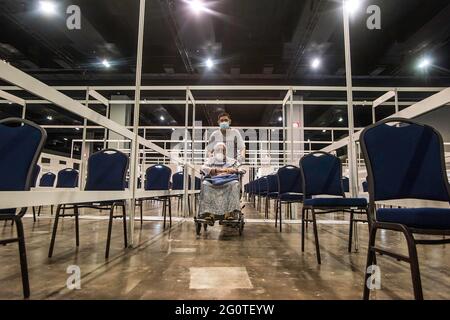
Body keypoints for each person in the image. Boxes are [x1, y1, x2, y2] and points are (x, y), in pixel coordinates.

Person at [199, 143, 241, 223]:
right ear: (214, 152)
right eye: (218, 150)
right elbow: (203, 168)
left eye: (223, 150)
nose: (220, 151)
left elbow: (240, 169)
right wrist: (221, 170)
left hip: (228, 181)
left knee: (235, 183)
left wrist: (235, 170)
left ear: (225, 152)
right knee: (205, 184)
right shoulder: (210, 161)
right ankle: (209, 214)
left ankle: (229, 213)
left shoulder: (232, 161)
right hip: (212, 182)